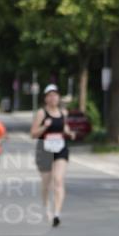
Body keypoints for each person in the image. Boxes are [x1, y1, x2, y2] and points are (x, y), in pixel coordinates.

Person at [30, 84, 75, 226]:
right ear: (45, 98)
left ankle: (57, 213)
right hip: (44, 150)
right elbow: (33, 134)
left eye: (55, 94)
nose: (53, 97)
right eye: (49, 95)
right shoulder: (41, 113)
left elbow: (65, 127)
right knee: (46, 183)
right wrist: (45, 126)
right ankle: (45, 208)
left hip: (61, 149)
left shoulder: (63, 112)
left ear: (58, 97)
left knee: (58, 180)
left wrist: (70, 133)